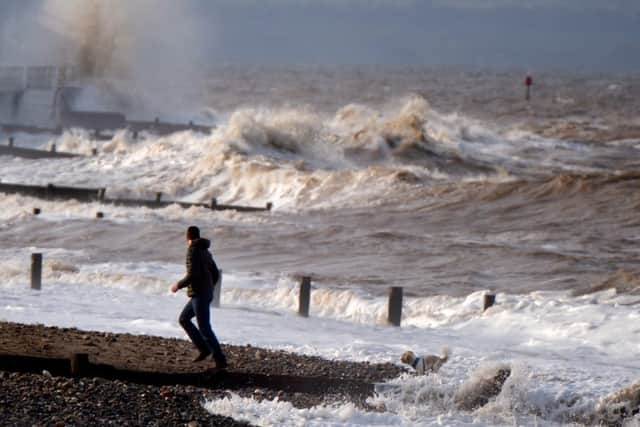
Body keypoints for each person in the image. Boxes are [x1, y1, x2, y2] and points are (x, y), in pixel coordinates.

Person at [171, 225, 227, 369]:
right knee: (184, 319)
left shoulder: (192, 251)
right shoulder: (206, 251)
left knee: (205, 328)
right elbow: (215, 273)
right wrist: (209, 287)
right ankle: (204, 349)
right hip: (205, 293)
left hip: (200, 294)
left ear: (187, 237)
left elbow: (192, 274)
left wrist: (178, 285)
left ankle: (220, 359)